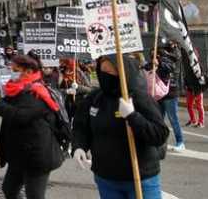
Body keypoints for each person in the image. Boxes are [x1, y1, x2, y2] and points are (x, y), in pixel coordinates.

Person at [72, 55, 170, 199]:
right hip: (106, 178)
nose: (106, 75)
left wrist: (133, 116)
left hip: (140, 177)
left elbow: (159, 135)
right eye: (103, 70)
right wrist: (79, 146)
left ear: (123, 73)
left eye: (111, 71)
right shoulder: (95, 98)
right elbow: (81, 126)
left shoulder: (139, 97)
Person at [0, 55, 64, 199]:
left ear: (29, 71)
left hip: (38, 156)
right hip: (19, 154)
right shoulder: (17, 88)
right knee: (9, 190)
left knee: (34, 195)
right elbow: (3, 106)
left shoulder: (38, 92)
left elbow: (19, 115)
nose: (12, 73)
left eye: (16, 70)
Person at [155, 43, 185, 151]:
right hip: (159, 93)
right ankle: (159, 142)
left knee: (173, 119)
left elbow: (171, 67)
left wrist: (163, 59)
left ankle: (180, 142)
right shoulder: (160, 56)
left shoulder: (175, 56)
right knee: (158, 119)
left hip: (171, 93)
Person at [181, 46, 207, 128]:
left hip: (197, 88)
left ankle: (201, 122)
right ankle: (193, 120)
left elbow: (201, 76)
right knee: (189, 105)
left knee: (199, 105)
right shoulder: (186, 65)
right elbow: (186, 75)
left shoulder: (197, 65)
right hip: (190, 87)